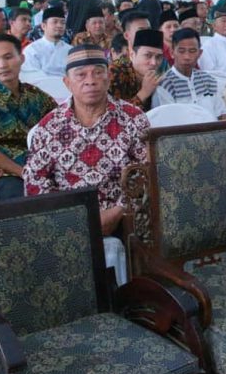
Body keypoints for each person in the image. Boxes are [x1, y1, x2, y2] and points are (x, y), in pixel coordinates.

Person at [23, 43, 149, 235]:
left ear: (109, 77)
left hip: (125, 218)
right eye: (81, 75)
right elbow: (34, 181)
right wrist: (69, 218)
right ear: (67, 82)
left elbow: (147, 170)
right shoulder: (49, 127)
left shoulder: (133, 118)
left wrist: (118, 211)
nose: (90, 81)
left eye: (98, 73)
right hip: (66, 224)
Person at [0, 34, 55, 202]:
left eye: (8, 57)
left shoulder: (36, 96)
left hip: (35, 165)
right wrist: (23, 172)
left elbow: (58, 124)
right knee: (28, 197)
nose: (2, 65)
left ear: (21, 58)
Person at [152, 28, 226, 119]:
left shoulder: (209, 80)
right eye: (181, 51)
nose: (187, 57)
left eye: (192, 51)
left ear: (200, 53)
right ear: (172, 53)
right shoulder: (165, 84)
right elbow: (168, 120)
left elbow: (222, 115)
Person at [108, 28, 164, 111]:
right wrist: (144, 92)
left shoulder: (160, 78)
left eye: (158, 57)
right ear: (132, 55)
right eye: (148, 55)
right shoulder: (115, 73)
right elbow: (113, 114)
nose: (154, 62)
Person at [22, 5, 72, 76]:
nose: (59, 25)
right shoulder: (32, 50)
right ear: (43, 26)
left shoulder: (70, 50)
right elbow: (32, 77)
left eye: (63, 23)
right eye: (55, 22)